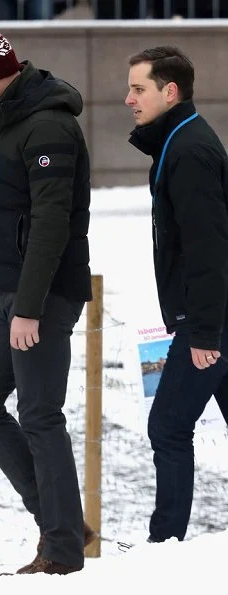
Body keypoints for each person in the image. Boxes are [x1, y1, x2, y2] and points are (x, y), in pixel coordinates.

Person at [0, 5, 95, 576]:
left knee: (38, 414)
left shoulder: (48, 125)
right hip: (15, 289)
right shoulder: (14, 123)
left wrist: (28, 308)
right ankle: (61, 519)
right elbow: (17, 208)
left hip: (42, 294)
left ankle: (61, 549)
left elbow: (52, 221)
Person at [125, 46, 228, 543]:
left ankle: (164, 545)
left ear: (171, 92)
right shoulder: (180, 142)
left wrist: (204, 331)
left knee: (167, 426)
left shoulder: (189, 151)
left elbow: (209, 249)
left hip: (210, 319)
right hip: (212, 314)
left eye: (138, 89)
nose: (128, 99)